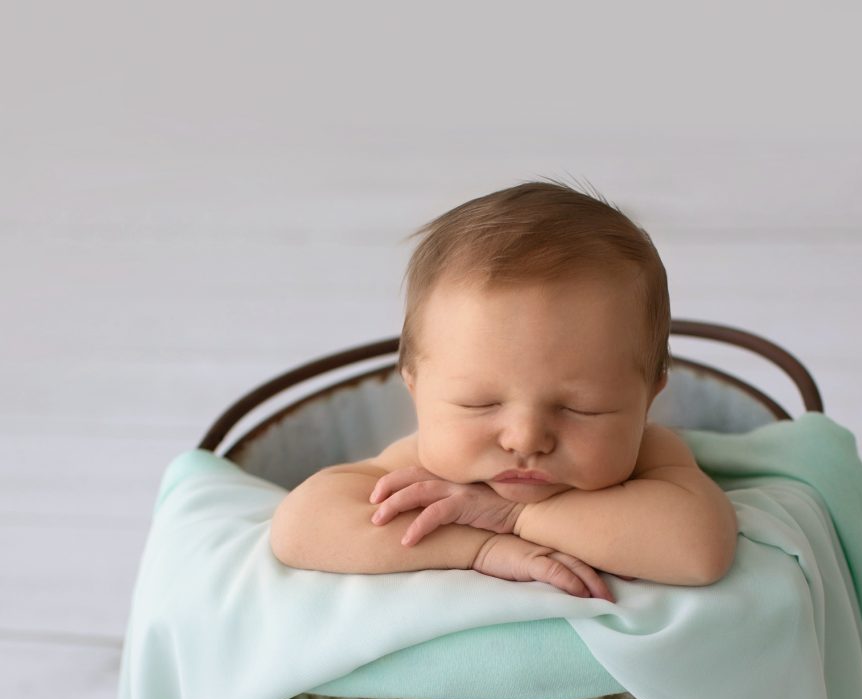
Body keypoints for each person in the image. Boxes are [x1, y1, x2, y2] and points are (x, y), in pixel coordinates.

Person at [270, 180, 738, 601]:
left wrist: (514, 518)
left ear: (647, 400)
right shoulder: (417, 472)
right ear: (415, 389)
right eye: (481, 403)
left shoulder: (650, 457)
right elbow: (299, 529)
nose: (525, 438)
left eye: (581, 408)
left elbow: (699, 551)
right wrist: (481, 546)